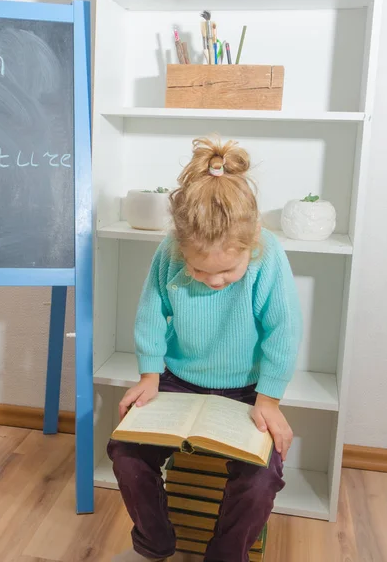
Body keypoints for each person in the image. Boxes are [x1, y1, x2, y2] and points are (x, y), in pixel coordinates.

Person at [109, 137, 302, 562]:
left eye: (227, 271)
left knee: (260, 479)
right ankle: (154, 543)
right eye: (199, 270)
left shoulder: (268, 256)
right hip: (177, 380)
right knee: (124, 451)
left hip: (246, 389)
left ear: (250, 247)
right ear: (181, 247)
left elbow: (283, 332)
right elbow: (149, 314)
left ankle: (226, 555)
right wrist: (148, 376)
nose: (213, 280)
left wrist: (268, 400)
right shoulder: (168, 252)